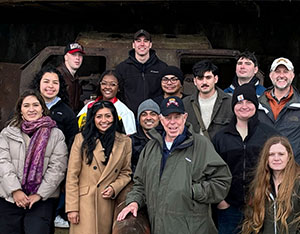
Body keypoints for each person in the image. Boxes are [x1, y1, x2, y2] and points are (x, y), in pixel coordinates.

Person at [117, 96, 232, 234]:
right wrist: (134, 202)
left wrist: (192, 191)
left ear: (185, 117)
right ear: (161, 119)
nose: (172, 123)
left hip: (193, 228)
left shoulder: (201, 144)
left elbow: (222, 181)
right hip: (159, 227)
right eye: (167, 117)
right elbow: (140, 183)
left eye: (177, 117)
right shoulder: (151, 147)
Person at [212, 83, 278, 234]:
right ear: (233, 105)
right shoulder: (221, 138)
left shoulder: (269, 135)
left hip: (260, 206)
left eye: (249, 102)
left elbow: (279, 169)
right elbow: (211, 171)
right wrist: (221, 201)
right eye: (239, 102)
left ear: (255, 104)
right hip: (229, 209)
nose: (244, 106)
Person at [0, 90, 68, 234]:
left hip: (41, 200)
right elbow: (3, 163)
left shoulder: (56, 134)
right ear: (20, 110)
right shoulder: (7, 133)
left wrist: (39, 194)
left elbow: (57, 168)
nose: (31, 109)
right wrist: (15, 191)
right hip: (10, 198)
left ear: (42, 108)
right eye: (26, 106)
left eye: (35, 105)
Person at [66, 100, 132, 234]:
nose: (104, 120)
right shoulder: (81, 139)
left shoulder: (125, 141)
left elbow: (126, 172)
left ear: (114, 117)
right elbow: (72, 175)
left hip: (108, 204)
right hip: (84, 204)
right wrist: (72, 207)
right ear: (93, 118)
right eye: (99, 116)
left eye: (108, 116)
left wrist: (115, 187)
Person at [30, 64, 78, 228]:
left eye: (55, 82)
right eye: (46, 81)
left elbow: (73, 141)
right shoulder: (28, 106)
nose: (50, 86)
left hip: (53, 169)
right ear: (39, 83)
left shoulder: (66, 112)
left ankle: (56, 214)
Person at [242, 136, 300, 234]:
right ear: (266, 158)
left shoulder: (297, 182)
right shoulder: (259, 185)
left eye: (281, 154)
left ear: (289, 156)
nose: (276, 158)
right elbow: (252, 220)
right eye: (271, 154)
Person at [115, 29, 167, 116]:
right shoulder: (122, 68)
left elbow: (165, 93)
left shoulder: (162, 67)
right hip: (129, 117)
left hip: (154, 117)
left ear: (150, 45)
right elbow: (118, 94)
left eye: (145, 41)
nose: (142, 44)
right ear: (133, 45)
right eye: (138, 41)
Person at [258, 57, 300, 164]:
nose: (281, 75)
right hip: (264, 167)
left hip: (293, 169)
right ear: (271, 75)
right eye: (277, 72)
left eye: (286, 72)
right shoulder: (257, 105)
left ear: (292, 75)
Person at [183, 60, 233, 139]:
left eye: (208, 77)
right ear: (195, 81)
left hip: (219, 150)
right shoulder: (185, 103)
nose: (204, 82)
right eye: (200, 78)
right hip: (193, 149)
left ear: (215, 79)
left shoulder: (229, 102)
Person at [77, 70, 136, 135]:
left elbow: (129, 139)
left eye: (112, 84)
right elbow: (78, 128)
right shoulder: (89, 106)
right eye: (104, 83)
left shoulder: (124, 112)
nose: (107, 87)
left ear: (118, 88)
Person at [131, 99, 160, 173]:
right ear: (139, 118)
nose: (148, 118)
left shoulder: (166, 138)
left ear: (159, 118)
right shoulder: (131, 141)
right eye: (144, 114)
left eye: (153, 114)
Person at [57, 42, 84, 113]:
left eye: (80, 55)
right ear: (66, 57)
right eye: (73, 55)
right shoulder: (58, 75)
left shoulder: (74, 77)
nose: (77, 58)